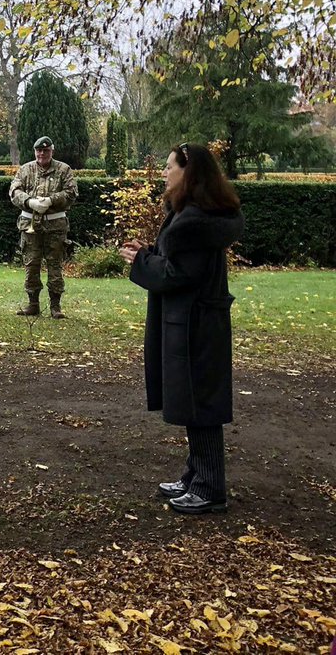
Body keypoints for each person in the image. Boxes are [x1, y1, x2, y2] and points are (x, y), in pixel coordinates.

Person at [120, 143, 243, 515]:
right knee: (193, 398)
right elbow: (179, 264)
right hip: (195, 321)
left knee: (201, 401)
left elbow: (178, 275)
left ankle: (209, 488)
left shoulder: (193, 222)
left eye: (170, 167)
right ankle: (195, 475)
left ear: (188, 173)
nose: (165, 173)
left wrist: (141, 260)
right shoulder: (195, 215)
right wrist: (152, 253)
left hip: (196, 325)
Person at [9, 135, 78, 318]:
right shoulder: (25, 169)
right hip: (29, 223)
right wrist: (29, 201)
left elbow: (71, 193)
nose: (42, 154)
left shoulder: (64, 169)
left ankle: (56, 307)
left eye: (46, 150)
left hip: (55, 225)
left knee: (55, 265)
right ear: (35, 151)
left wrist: (50, 200)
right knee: (31, 264)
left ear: (51, 151)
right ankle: (33, 304)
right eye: (39, 150)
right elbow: (14, 191)